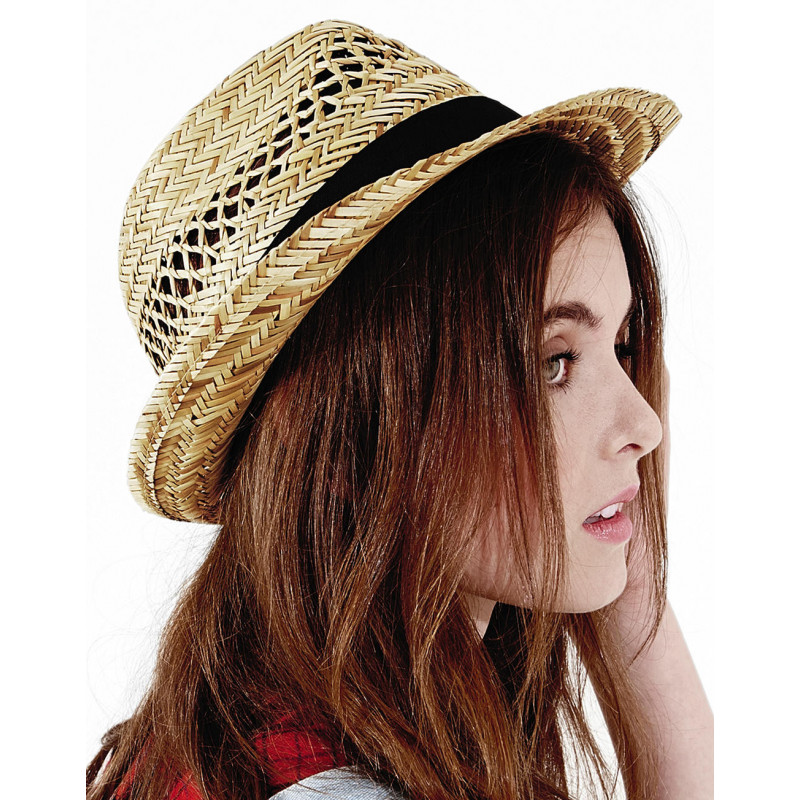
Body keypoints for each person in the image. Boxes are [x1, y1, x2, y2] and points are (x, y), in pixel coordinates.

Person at [87, 19, 712, 800]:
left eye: (621, 345)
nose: (644, 426)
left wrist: (656, 664)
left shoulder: (267, 731)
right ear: (348, 435)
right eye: (552, 362)